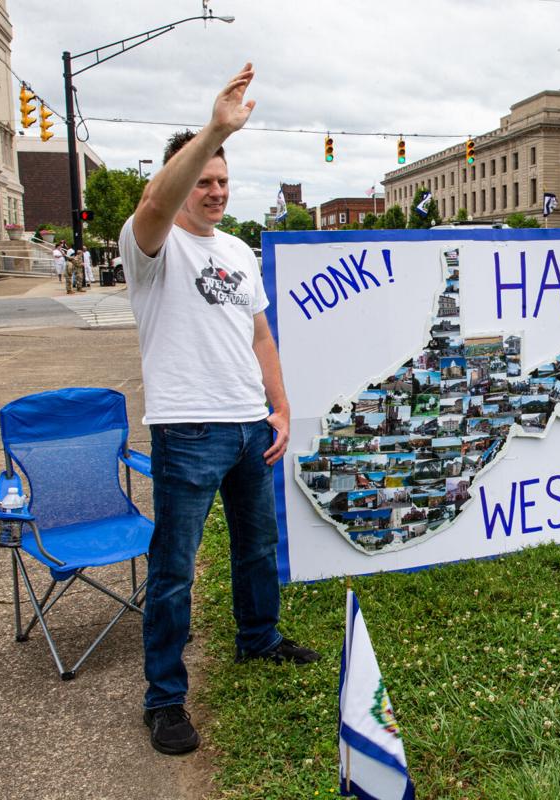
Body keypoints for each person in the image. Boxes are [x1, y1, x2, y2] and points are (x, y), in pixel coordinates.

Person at [118, 63, 319, 758]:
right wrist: (212, 131)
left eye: (223, 181)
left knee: (257, 546)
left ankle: (258, 639)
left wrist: (283, 408)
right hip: (188, 429)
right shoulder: (150, 245)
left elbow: (260, 334)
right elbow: (152, 203)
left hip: (249, 427)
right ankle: (165, 699)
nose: (215, 191)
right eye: (204, 179)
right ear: (184, 176)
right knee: (174, 568)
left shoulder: (237, 249)